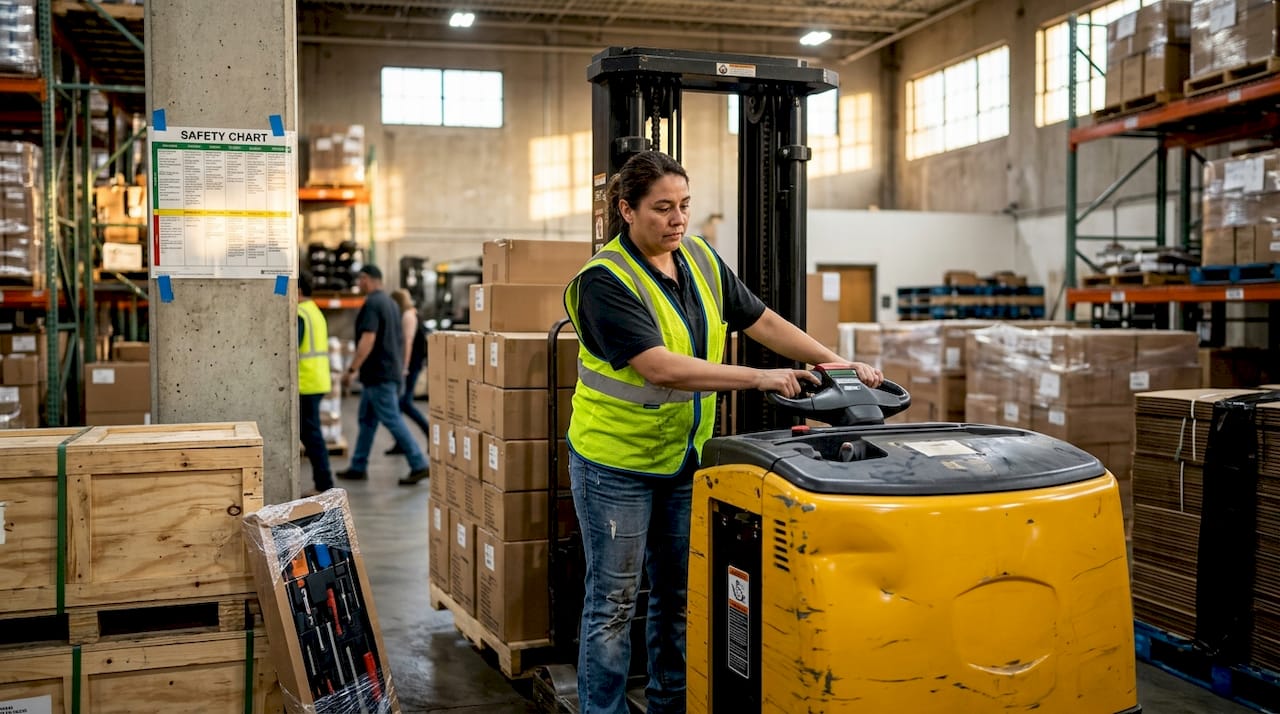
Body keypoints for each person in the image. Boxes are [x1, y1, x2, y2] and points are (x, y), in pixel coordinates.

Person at [563, 150, 882, 714]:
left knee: (679, 596)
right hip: (616, 465)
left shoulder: (700, 260)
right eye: (662, 208)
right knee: (613, 604)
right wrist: (760, 377)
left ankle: (669, 705)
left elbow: (762, 320)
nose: (677, 219)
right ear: (626, 210)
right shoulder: (603, 281)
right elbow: (659, 367)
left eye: (684, 205)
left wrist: (836, 363)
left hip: (684, 459)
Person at [338, 265, 431, 486]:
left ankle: (419, 463)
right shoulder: (390, 303)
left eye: (360, 279)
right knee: (367, 421)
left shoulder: (372, 304)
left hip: (379, 375)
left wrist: (352, 369)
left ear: (367, 279)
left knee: (392, 418)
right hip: (384, 373)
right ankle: (358, 466)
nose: (358, 283)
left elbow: (368, 339)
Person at [297, 272, 334, 495]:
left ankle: (324, 483)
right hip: (316, 380)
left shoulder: (300, 314)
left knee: (311, 435)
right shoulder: (314, 311)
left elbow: (291, 345)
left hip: (307, 382)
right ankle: (324, 481)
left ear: (298, 290)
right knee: (310, 434)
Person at [387, 288, 430, 454]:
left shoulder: (408, 316)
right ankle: (400, 442)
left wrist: (404, 367)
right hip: (411, 364)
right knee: (400, 404)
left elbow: (408, 342)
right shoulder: (411, 313)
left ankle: (428, 431)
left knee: (404, 403)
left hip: (411, 365)